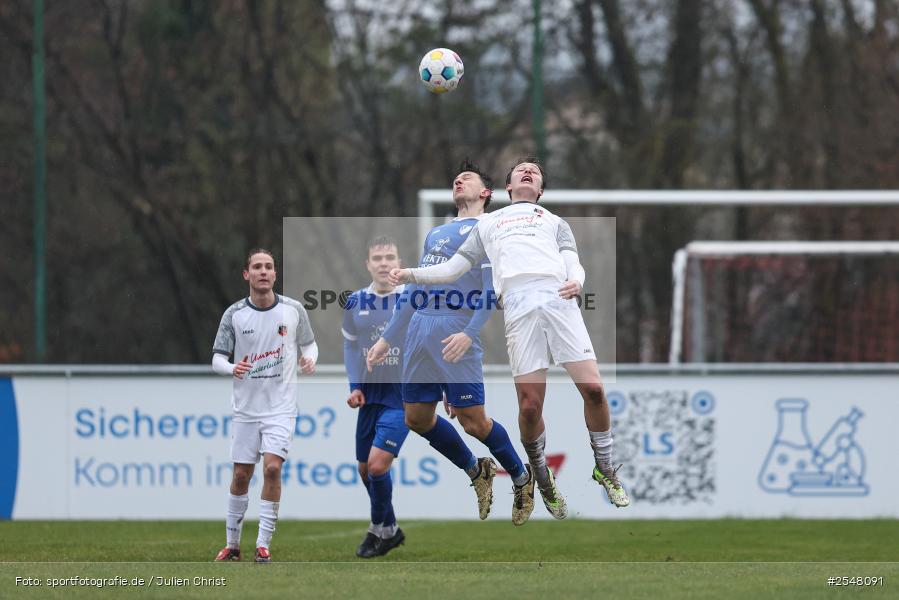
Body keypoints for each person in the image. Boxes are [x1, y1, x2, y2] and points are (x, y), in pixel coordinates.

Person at [387, 158, 630, 518]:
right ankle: (541, 478)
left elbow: (572, 261)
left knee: (594, 389)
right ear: (509, 187)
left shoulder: (554, 222)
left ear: (541, 189)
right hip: (518, 309)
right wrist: (410, 274)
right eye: (521, 170)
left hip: (560, 302)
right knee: (530, 408)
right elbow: (452, 269)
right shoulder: (490, 224)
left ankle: (605, 468)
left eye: (535, 170)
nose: (528, 171)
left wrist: (578, 280)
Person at [368, 159, 536, 526]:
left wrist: (468, 333)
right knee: (416, 418)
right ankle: (477, 471)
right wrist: (386, 339)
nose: (458, 180)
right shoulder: (436, 234)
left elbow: (491, 291)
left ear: (486, 193)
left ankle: (522, 478)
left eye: (468, 177)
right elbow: (415, 289)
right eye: (456, 177)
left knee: (474, 423)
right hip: (418, 334)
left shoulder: (492, 228)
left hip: (454, 329)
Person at [211, 248, 318, 563]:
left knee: (272, 468)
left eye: (268, 267)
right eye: (257, 267)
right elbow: (217, 357)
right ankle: (232, 546)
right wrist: (233, 368)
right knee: (242, 475)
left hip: (281, 408)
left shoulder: (293, 309)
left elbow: (310, 343)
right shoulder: (234, 315)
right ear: (247, 274)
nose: (263, 271)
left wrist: (309, 359)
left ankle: (262, 545)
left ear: (274, 274)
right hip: (246, 409)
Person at [342, 236, 410, 558]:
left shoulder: (411, 298)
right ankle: (391, 530)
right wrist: (355, 385)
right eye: (378, 258)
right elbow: (351, 346)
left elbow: (428, 344)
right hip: (370, 398)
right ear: (368, 264)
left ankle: (376, 529)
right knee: (364, 469)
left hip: (402, 397)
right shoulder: (355, 301)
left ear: (399, 262)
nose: (384, 263)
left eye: (390, 257)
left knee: (378, 465)